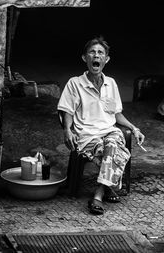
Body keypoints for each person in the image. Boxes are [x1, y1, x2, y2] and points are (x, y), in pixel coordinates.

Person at [57, 36, 145, 215]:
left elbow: (116, 114)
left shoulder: (110, 83)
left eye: (100, 53)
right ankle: (107, 188)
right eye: (92, 52)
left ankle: (98, 193)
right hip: (87, 135)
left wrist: (134, 128)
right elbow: (67, 111)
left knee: (113, 144)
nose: (96, 56)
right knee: (111, 153)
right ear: (85, 58)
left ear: (106, 59)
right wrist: (67, 129)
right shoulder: (75, 83)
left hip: (110, 132)